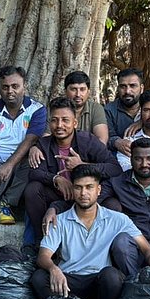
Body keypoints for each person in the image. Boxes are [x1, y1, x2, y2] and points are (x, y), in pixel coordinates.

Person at [45, 138, 150, 292]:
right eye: (138, 159)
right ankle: (135, 286)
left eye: (149, 159)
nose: (144, 164)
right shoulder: (118, 182)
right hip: (132, 244)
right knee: (121, 241)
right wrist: (54, 208)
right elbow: (86, 199)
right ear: (131, 159)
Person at [33, 165, 150, 299]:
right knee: (39, 277)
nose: (83, 193)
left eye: (89, 187)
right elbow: (43, 256)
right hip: (68, 282)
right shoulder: (60, 220)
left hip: (99, 284)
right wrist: (54, 269)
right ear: (73, 190)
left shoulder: (117, 219)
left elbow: (147, 249)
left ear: (98, 190)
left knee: (112, 276)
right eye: (78, 187)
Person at [24, 98, 122, 242]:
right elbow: (34, 172)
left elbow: (115, 168)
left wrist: (82, 166)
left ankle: (101, 245)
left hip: (87, 196)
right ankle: (42, 240)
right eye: (54, 120)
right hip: (59, 196)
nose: (59, 125)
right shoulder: (43, 144)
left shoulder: (88, 141)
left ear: (75, 123)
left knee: (113, 204)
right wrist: (56, 179)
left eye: (65, 120)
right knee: (33, 189)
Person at [0, 65, 46, 236]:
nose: (10, 91)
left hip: (22, 160)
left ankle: (6, 203)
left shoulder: (37, 110)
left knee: (34, 162)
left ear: (24, 86)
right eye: (5, 87)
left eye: (15, 86)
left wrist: (8, 165)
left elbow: (31, 140)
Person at [63, 71, 109, 144]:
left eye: (82, 89)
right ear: (65, 91)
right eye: (73, 89)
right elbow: (46, 137)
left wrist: (83, 155)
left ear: (88, 92)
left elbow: (102, 140)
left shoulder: (96, 108)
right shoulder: (56, 109)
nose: (78, 94)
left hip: (89, 153)